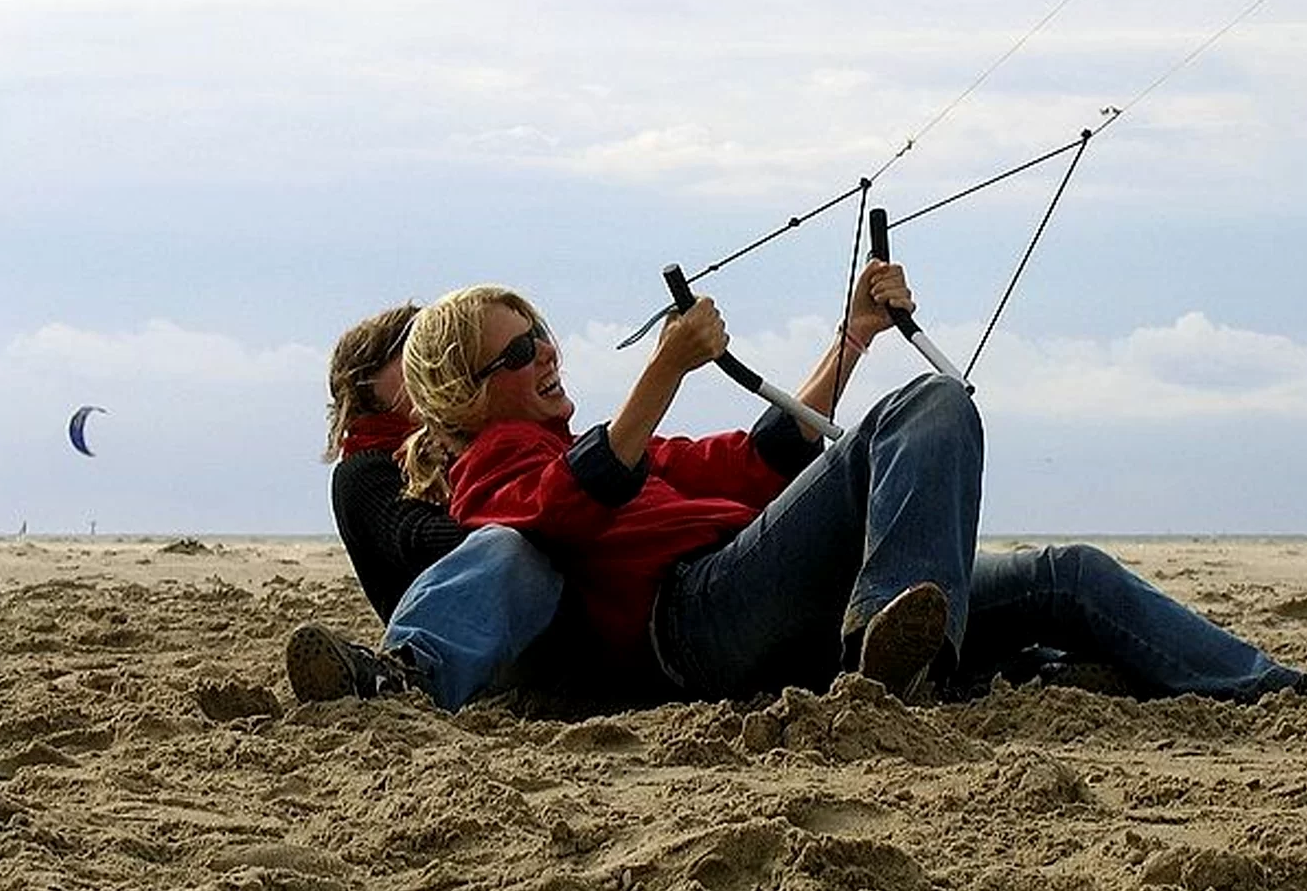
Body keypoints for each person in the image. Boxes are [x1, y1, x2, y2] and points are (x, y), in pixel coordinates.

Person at [392, 259, 1307, 706]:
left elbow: (762, 460)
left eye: (541, 331)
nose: (546, 352)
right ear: (463, 395)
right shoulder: (490, 469)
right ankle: (891, 639)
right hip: (698, 626)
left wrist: (855, 334)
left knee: (1063, 570)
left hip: (782, 604)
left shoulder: (622, 448)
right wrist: (665, 368)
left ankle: (1270, 689)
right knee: (931, 404)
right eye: (517, 351)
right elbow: (568, 505)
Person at [285, 304, 564, 710]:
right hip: (472, 650)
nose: (430, 359)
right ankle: (400, 676)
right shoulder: (365, 469)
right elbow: (416, 540)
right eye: (411, 351)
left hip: (546, 623)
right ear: (367, 383)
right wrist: (532, 513)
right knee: (507, 546)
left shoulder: (479, 437)